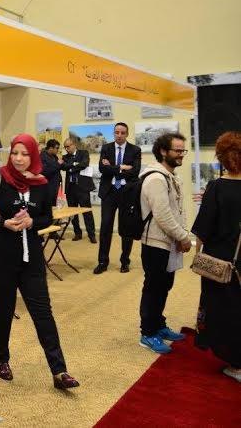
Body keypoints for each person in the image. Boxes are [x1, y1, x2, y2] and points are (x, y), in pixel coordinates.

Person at [0, 133, 79, 389]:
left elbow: (48, 217)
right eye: (15, 153)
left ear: (33, 155)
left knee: (42, 312)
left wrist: (32, 222)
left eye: (25, 154)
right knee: (3, 309)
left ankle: (59, 371)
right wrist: (3, 222)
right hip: (0, 255)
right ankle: (1, 359)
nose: (19, 158)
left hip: (31, 256)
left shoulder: (41, 183)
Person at [191, 131, 241, 382]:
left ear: (221, 158)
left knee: (224, 309)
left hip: (221, 262)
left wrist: (195, 253)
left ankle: (236, 364)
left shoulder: (217, 187)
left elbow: (203, 228)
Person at [136, 132, 190, 354]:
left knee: (163, 287)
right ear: (163, 151)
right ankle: (147, 334)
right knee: (153, 288)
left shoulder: (170, 176)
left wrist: (180, 234)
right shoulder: (156, 179)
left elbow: (176, 211)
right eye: (177, 150)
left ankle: (158, 325)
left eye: (183, 150)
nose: (181, 154)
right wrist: (183, 237)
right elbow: (163, 215)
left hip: (167, 242)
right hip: (155, 243)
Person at [96, 122, 142, 273]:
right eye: (117, 132)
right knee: (105, 227)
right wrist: (122, 167)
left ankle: (125, 261)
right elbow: (102, 169)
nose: (119, 135)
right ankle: (102, 262)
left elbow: (135, 171)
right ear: (113, 133)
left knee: (126, 228)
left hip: (126, 192)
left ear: (127, 134)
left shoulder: (135, 150)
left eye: (122, 133)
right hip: (109, 192)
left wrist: (112, 168)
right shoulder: (106, 148)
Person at [61, 137, 97, 243]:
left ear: (74, 145)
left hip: (82, 188)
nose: (66, 149)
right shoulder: (65, 157)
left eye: (68, 146)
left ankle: (91, 234)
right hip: (70, 188)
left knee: (87, 212)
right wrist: (75, 164)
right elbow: (63, 167)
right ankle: (77, 233)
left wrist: (71, 167)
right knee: (73, 213)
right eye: (65, 147)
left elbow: (84, 164)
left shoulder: (83, 153)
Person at [40, 139, 62, 208]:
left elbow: (59, 166)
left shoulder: (54, 156)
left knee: (54, 207)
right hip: (48, 187)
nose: (58, 150)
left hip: (55, 186)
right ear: (51, 148)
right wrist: (58, 164)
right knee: (48, 208)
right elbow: (45, 171)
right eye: (57, 148)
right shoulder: (42, 157)